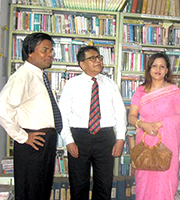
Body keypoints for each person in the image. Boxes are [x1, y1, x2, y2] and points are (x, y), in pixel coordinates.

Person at [59, 46, 126, 200]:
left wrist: (120, 138)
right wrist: (68, 140)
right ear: (82, 64)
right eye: (92, 58)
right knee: (78, 184)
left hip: (105, 137)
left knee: (104, 184)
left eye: (99, 57)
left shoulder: (110, 84)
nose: (98, 61)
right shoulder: (72, 84)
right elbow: (63, 114)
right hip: (79, 137)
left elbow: (120, 112)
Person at [0, 32, 61, 200]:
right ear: (29, 52)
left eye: (51, 51)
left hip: (44, 140)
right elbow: (3, 108)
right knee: (30, 191)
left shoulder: (39, 76)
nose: (50, 55)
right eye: (45, 50)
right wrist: (22, 136)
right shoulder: (22, 76)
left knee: (41, 190)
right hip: (33, 141)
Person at [128, 53, 180, 200]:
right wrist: (142, 124)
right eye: (154, 66)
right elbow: (131, 116)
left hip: (166, 144)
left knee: (164, 181)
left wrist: (160, 124)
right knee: (144, 181)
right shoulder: (140, 91)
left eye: (162, 66)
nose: (158, 69)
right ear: (149, 69)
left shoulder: (174, 91)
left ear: (167, 71)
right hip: (145, 142)